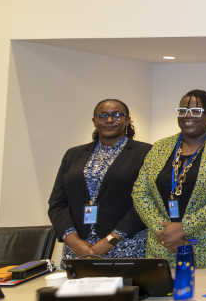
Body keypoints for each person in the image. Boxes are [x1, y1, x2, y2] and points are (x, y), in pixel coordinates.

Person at [132, 90, 206, 268]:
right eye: (182, 110)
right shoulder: (161, 146)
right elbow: (140, 192)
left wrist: (184, 227)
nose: (187, 115)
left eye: (196, 111)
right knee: (163, 295)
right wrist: (164, 231)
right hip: (163, 245)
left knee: (205, 295)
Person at [48, 99, 152, 263]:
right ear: (94, 120)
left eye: (117, 115)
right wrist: (74, 243)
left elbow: (146, 201)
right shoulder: (73, 154)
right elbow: (57, 203)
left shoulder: (146, 152)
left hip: (126, 245)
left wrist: (110, 240)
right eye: (102, 115)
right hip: (78, 249)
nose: (109, 120)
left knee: (123, 289)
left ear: (128, 120)